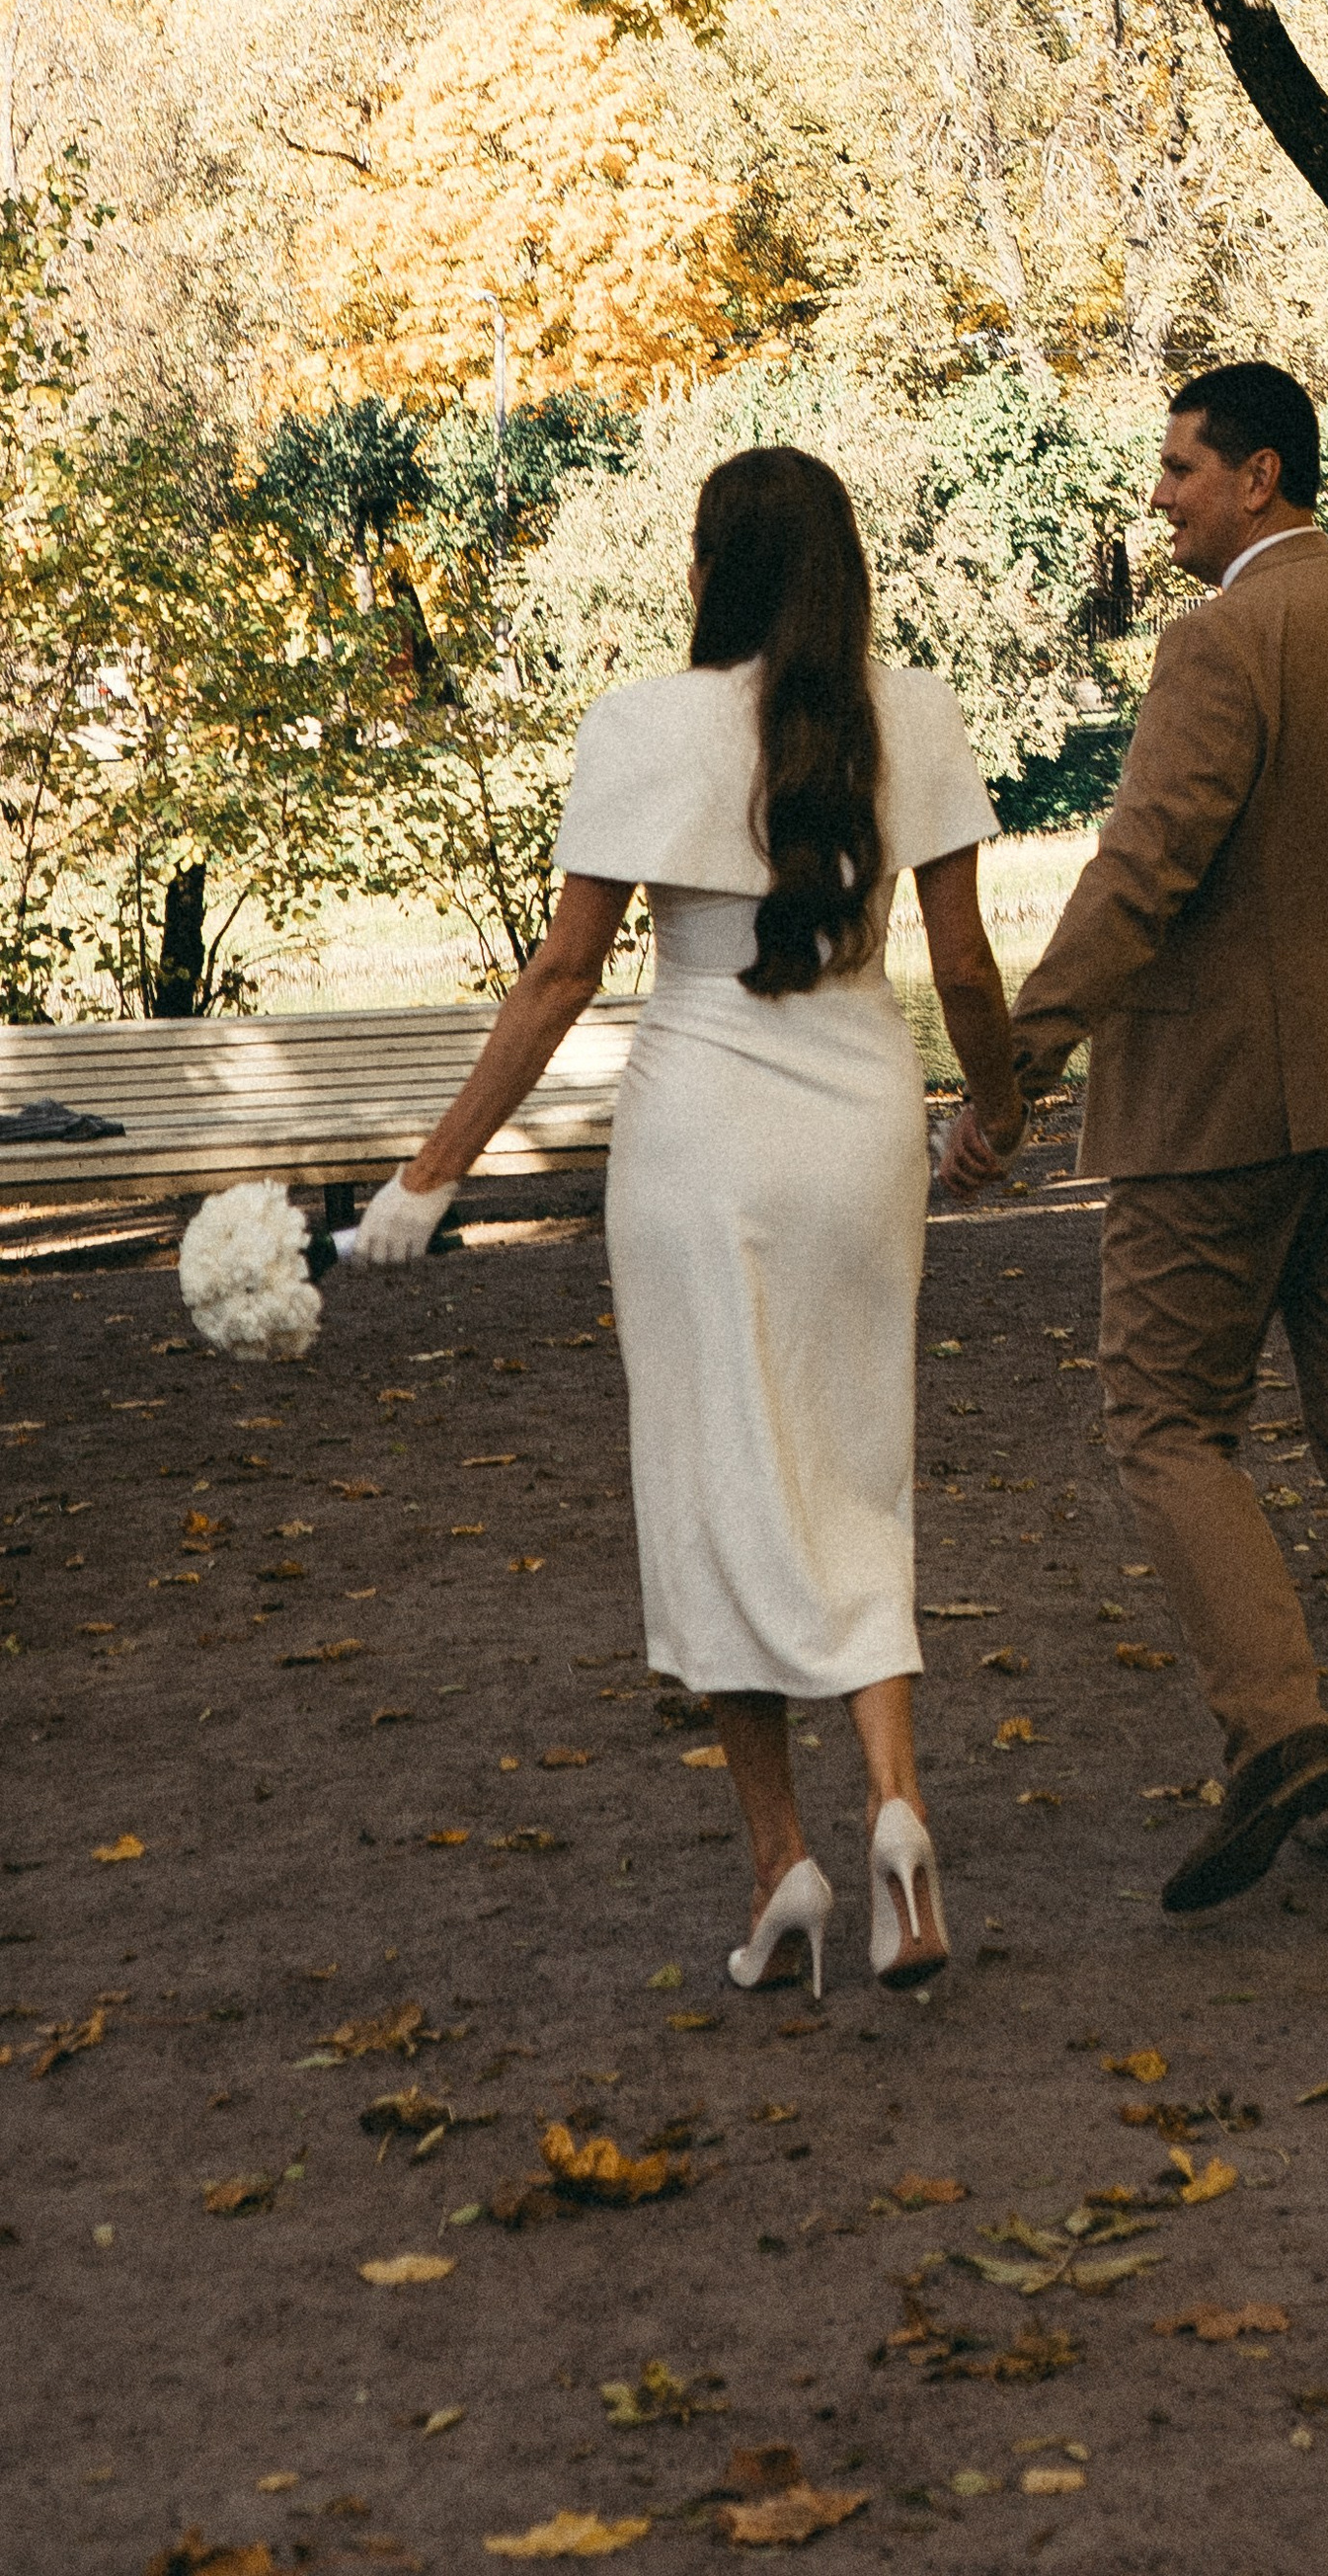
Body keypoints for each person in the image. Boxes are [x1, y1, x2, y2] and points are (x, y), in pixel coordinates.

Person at [352, 446, 1019, 1998]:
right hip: (860, 1123)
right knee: (857, 1464)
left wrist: (433, 1170)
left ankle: (780, 1861)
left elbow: (562, 976)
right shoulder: (911, 713)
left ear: (711, 565)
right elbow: (970, 967)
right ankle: (903, 1825)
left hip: (699, 1140)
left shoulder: (643, 723)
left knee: (717, 1482)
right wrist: (995, 1111)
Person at [946, 363, 1328, 1909]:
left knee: (1167, 1417)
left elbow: (1142, 871)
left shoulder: (1221, 639)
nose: (1163, 496)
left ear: (1261, 477)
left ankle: (1277, 1728)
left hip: (1228, 1115)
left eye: (1181, 469)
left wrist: (1019, 1067)